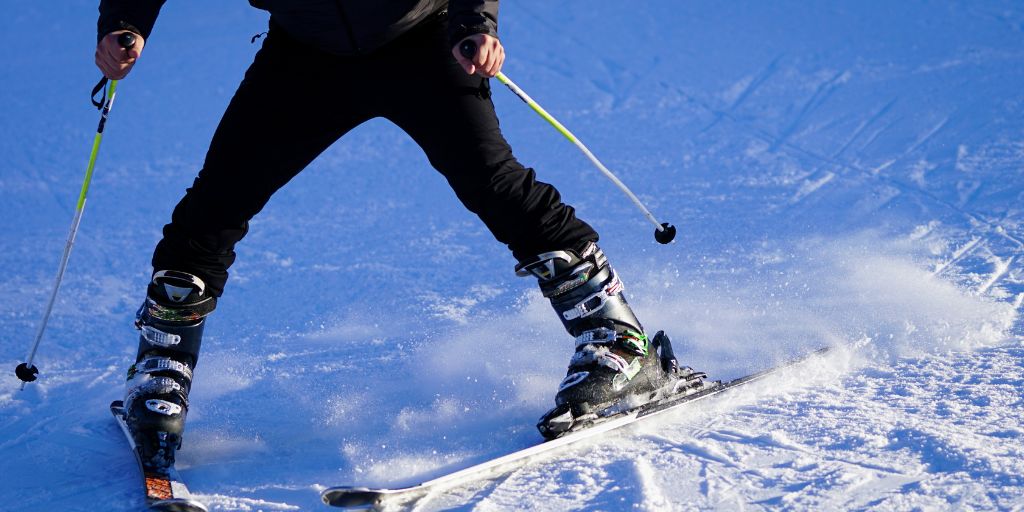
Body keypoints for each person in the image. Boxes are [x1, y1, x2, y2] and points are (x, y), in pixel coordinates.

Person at [96, 0, 674, 467]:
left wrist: (475, 23)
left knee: (494, 184)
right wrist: (127, 22)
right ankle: (162, 370)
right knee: (217, 202)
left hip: (422, 36)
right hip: (304, 51)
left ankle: (617, 339)